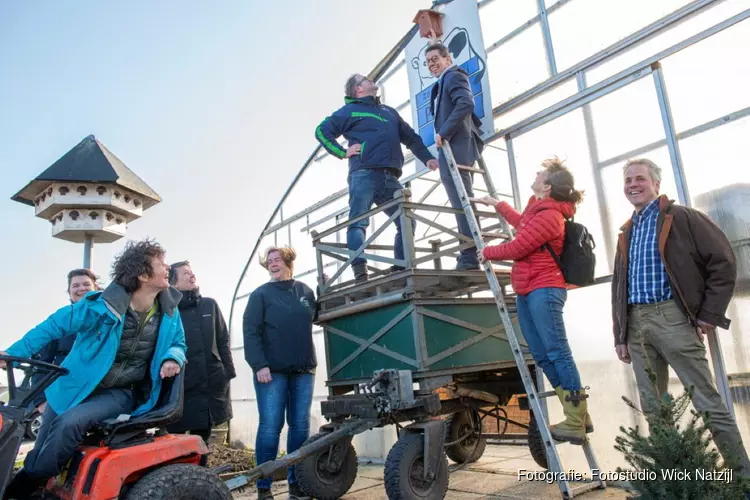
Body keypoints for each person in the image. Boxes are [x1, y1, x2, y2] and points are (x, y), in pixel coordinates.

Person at [1, 239, 186, 498]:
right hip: (72, 386)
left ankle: (21, 488)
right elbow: (53, 326)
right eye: (161, 264)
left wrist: (172, 358)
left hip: (118, 392)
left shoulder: (168, 310)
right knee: (42, 445)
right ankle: (36, 485)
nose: (168, 268)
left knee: (69, 423)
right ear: (143, 275)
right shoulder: (98, 305)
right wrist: (13, 353)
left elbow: (178, 342)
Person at [612, 158, 750, 475]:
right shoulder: (627, 231)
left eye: (640, 179)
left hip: (672, 318)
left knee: (707, 403)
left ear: (656, 184)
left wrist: (708, 314)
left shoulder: (682, 218)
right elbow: (620, 286)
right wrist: (621, 335)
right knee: (654, 409)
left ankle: (743, 478)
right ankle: (675, 480)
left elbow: (724, 262)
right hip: (636, 325)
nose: (632, 184)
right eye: (628, 180)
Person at [476, 158, 592, 444]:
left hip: (545, 288)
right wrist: (497, 204)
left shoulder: (550, 215)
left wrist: (487, 251)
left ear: (547, 185)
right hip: (528, 289)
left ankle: (576, 418)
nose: (536, 173)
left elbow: (519, 246)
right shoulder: (539, 210)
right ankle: (576, 411)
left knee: (557, 351)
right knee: (540, 353)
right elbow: (522, 224)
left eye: (541, 173)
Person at [315, 73, 439, 283]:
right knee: (358, 222)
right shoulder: (350, 110)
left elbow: (411, 138)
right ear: (358, 89)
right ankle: (360, 272)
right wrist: (341, 151)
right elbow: (321, 131)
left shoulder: (389, 112)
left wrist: (428, 159)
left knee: (406, 220)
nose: (371, 80)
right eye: (366, 79)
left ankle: (400, 266)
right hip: (363, 173)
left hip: (390, 176)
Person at [243, 246, 318, 500]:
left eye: (277, 260)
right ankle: (264, 488)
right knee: (270, 427)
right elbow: (250, 332)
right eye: (270, 261)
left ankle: (295, 483)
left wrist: (326, 289)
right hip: (271, 372)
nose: (273, 264)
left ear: (288, 262)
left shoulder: (305, 291)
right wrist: (259, 365)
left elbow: (319, 315)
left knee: (299, 427)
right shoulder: (260, 295)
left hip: (304, 368)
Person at [426, 43, 486, 270]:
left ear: (447, 59)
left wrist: (444, 131)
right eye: (428, 61)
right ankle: (470, 252)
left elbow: (466, 102)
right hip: (452, 147)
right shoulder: (443, 82)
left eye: (435, 59)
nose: (432, 64)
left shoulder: (453, 76)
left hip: (457, 145)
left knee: (462, 200)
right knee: (460, 200)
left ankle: (471, 255)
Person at [166, 260, 236, 443]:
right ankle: (179, 472)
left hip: (209, 378)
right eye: (186, 273)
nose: (192, 276)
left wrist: (228, 371)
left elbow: (222, 338)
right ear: (173, 283)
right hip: (181, 381)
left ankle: (200, 470)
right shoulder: (168, 310)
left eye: (192, 272)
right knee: (176, 435)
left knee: (202, 435)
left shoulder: (209, 305)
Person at [30, 269, 99, 411]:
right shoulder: (60, 322)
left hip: (99, 394)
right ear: (69, 292)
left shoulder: (109, 319)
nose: (81, 288)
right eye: (75, 286)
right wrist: (41, 401)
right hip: (64, 394)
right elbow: (41, 364)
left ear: (95, 288)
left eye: (86, 284)